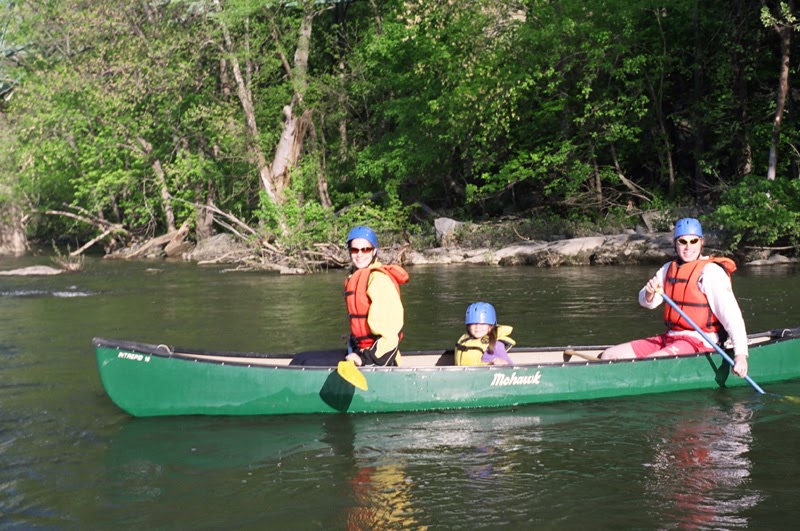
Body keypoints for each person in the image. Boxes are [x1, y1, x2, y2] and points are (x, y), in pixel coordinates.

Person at [600, 217, 749, 378]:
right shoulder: (667, 269)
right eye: (682, 241)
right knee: (609, 355)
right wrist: (649, 294)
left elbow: (732, 317)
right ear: (675, 243)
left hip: (700, 341)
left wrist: (741, 356)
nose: (688, 247)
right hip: (671, 337)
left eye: (693, 241)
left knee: (646, 364)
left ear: (701, 242)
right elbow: (646, 302)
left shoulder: (711, 272)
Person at [343, 225, 408, 367]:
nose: (359, 254)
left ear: (374, 251)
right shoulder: (356, 277)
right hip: (361, 352)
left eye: (365, 249)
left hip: (378, 359)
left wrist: (367, 360)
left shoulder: (379, 280)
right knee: (303, 359)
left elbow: (390, 334)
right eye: (355, 250)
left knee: (305, 361)